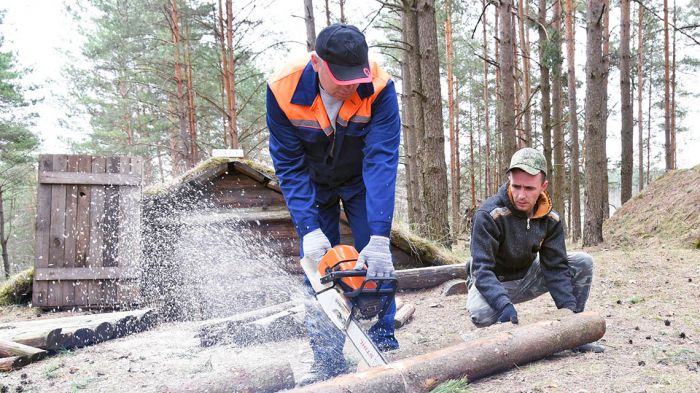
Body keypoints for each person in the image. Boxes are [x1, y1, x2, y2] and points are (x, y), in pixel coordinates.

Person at [266, 23, 401, 384]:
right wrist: (308, 228)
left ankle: (383, 340)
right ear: (316, 62)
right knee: (319, 267)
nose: (349, 86)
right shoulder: (283, 88)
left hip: (361, 180)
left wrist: (379, 236)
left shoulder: (380, 87)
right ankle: (327, 357)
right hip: (313, 181)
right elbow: (289, 165)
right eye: (340, 77)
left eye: (354, 77)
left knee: (374, 260)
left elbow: (382, 160)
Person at [467, 147, 603, 353]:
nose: (521, 195)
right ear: (509, 180)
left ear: (543, 186)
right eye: (516, 186)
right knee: (481, 313)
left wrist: (568, 310)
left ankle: (576, 332)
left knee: (582, 261)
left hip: (528, 274)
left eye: (529, 188)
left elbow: (555, 267)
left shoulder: (551, 218)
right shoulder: (488, 214)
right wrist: (504, 305)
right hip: (494, 279)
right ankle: (484, 296)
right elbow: (482, 269)